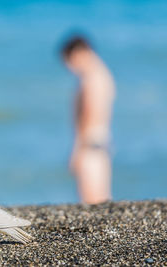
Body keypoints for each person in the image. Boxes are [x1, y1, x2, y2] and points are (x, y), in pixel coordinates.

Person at [61, 35, 115, 204]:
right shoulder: (103, 74)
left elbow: (88, 114)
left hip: (90, 145)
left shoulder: (91, 78)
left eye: (69, 61)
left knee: (92, 202)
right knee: (102, 200)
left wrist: (77, 149)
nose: (70, 67)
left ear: (78, 53)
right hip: (101, 143)